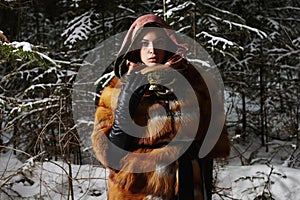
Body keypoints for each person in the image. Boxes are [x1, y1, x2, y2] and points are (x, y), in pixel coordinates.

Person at [91, 14, 230, 200]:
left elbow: (210, 149)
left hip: (186, 188)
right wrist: (125, 107)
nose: (152, 50)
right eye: (144, 43)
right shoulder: (116, 89)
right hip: (137, 192)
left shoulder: (196, 83)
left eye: (159, 42)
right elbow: (111, 156)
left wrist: (203, 191)